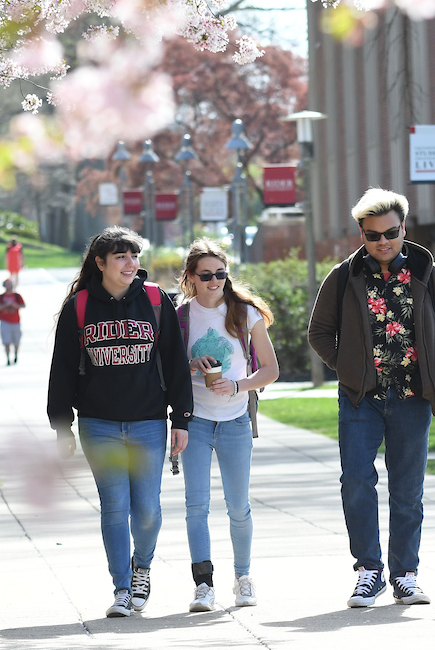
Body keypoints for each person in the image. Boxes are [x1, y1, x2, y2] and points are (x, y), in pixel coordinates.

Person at [308, 188, 435, 608]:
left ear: (403, 229)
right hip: (361, 400)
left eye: (391, 233)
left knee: (407, 489)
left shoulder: (428, 273)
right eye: (373, 235)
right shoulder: (343, 277)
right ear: (361, 234)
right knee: (356, 481)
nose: (383, 242)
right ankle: (369, 571)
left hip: (413, 398)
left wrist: (434, 367)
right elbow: (319, 332)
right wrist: (349, 369)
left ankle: (405, 575)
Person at [46, 226, 194, 618]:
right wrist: (61, 425)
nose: (131, 264)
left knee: (146, 509)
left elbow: (176, 364)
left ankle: (141, 566)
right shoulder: (78, 306)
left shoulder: (155, 300)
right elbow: (61, 369)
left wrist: (182, 418)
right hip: (98, 424)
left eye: (135, 256)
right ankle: (122, 589)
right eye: (121, 257)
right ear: (101, 263)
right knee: (114, 507)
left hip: (148, 422)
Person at [176, 238, 280, 612]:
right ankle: (203, 585)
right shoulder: (180, 318)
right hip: (197, 422)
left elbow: (271, 370)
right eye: (206, 275)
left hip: (235, 419)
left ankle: (243, 577)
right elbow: (167, 370)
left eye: (221, 274)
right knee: (196, 506)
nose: (215, 281)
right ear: (191, 278)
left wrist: (238, 384)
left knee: (238, 506)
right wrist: (191, 366)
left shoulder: (245, 314)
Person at [0, 279, 25, 366]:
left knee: (16, 341)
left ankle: (15, 354)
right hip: (5, 322)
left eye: (10, 284)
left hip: (16, 321)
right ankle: (8, 358)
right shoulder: (1, 297)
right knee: (6, 341)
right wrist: (6, 305)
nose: (9, 286)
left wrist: (14, 305)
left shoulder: (17, 296)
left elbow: (23, 305)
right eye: (7, 284)